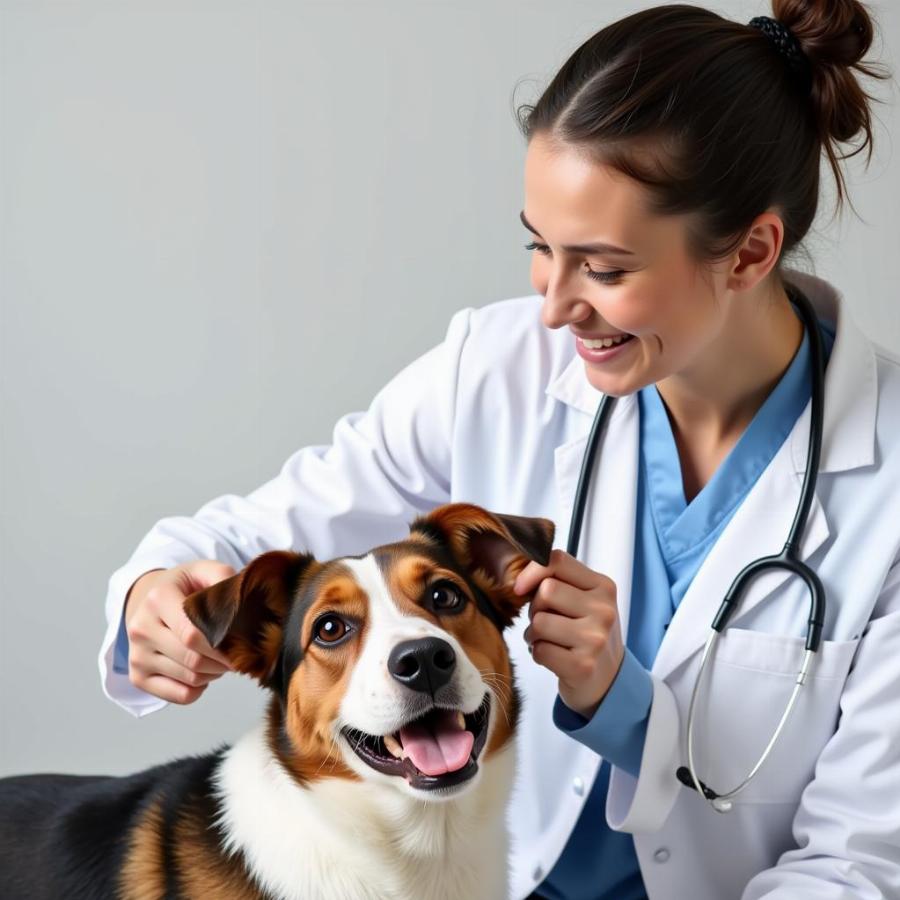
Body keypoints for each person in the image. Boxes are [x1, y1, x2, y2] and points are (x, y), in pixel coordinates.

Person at [99, 2, 900, 898]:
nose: (554, 307)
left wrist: (623, 702)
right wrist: (154, 591)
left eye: (603, 268)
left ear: (751, 251)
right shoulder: (498, 368)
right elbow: (249, 536)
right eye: (539, 247)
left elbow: (857, 865)